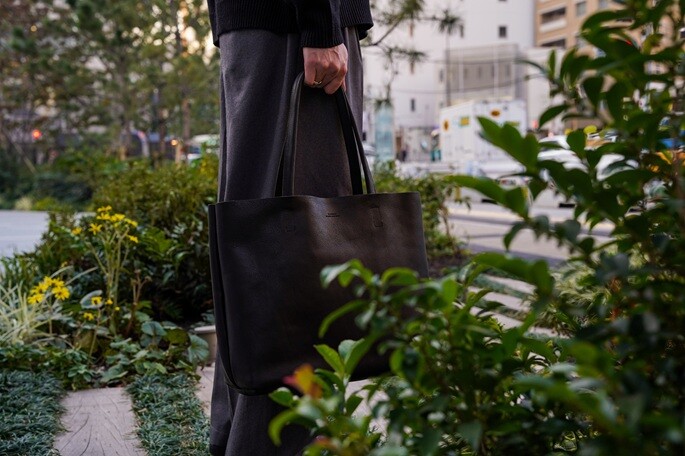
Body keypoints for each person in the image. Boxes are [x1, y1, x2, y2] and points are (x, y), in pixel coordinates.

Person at [205, 1, 373, 454]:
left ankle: (239, 437)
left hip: (259, 28)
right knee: (303, 251)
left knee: (254, 238)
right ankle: (277, 445)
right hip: (297, 30)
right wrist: (321, 27)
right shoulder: (313, 34)